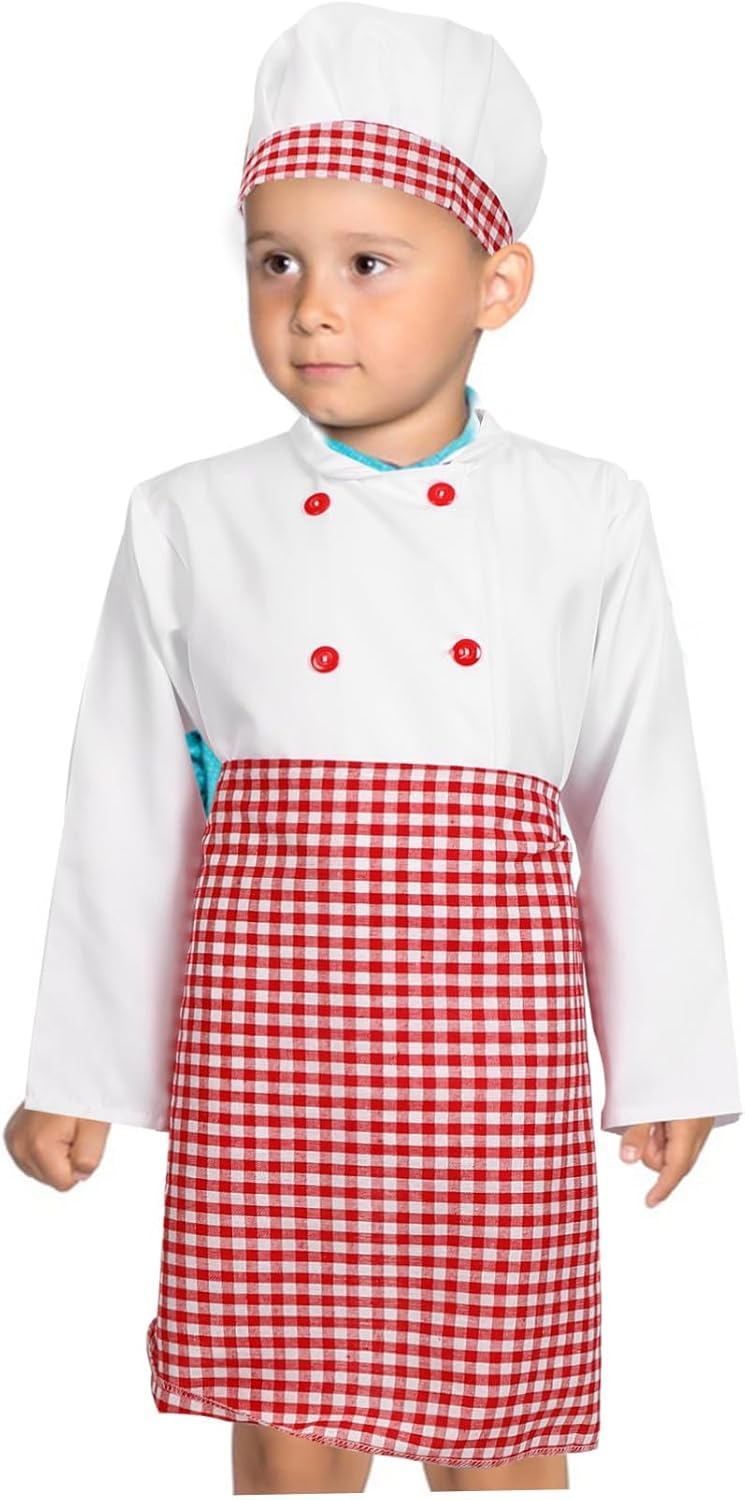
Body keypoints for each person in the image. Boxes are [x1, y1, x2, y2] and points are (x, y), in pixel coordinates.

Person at [5, 3, 742, 1493]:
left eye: (368, 263)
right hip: (268, 1042)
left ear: (498, 283)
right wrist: (80, 1062)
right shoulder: (186, 516)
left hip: (491, 1051)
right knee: (290, 1423)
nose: (312, 310)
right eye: (275, 261)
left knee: (501, 1421)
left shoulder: (588, 513)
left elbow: (637, 792)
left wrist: (668, 1055)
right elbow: (129, 809)